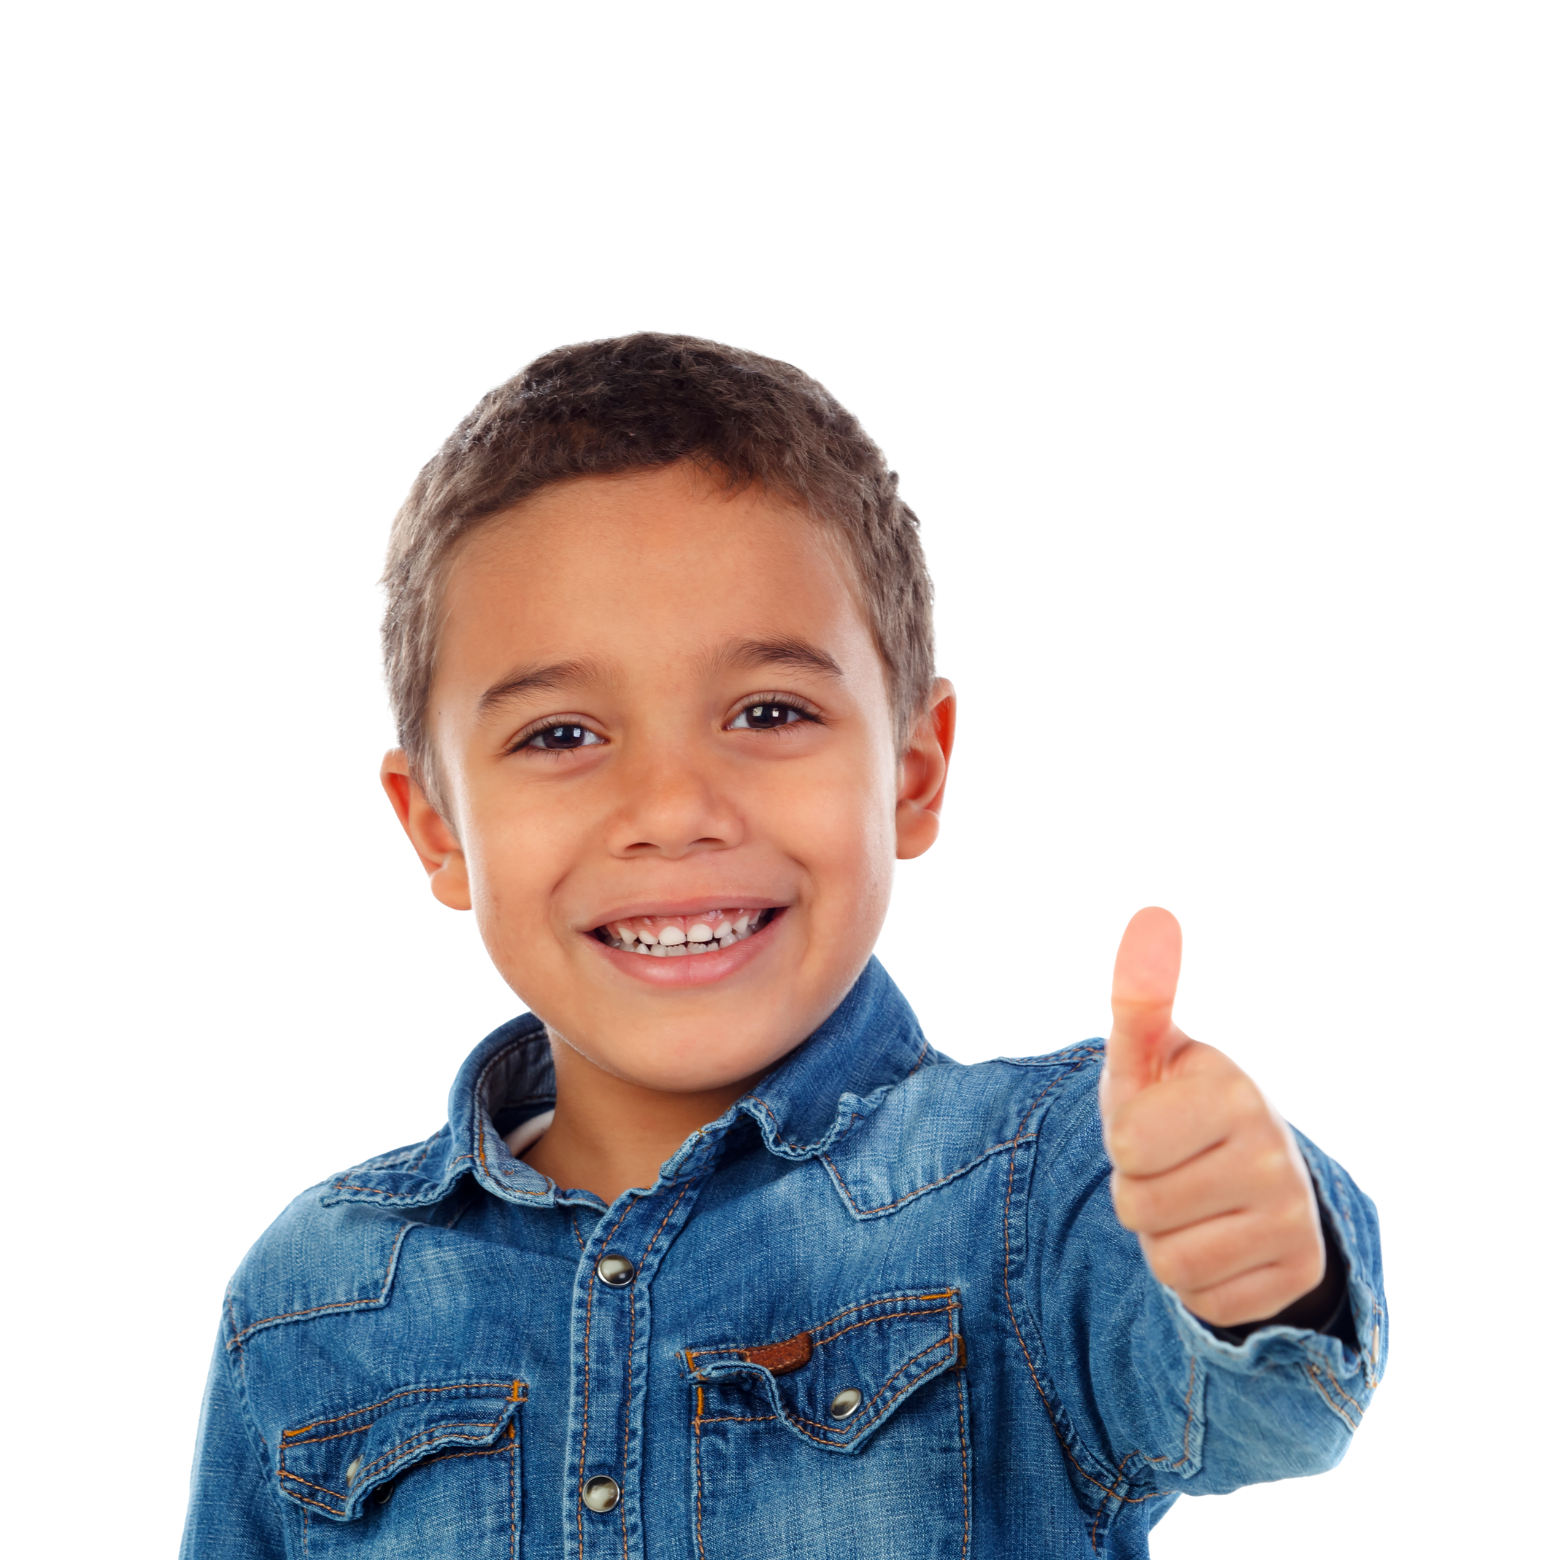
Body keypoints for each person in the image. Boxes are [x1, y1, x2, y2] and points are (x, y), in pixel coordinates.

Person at [181, 332, 1386, 1558]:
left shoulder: (1041, 1184)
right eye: (560, 734)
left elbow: (1265, 1408)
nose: (672, 808)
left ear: (912, 770)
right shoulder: (309, 1300)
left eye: (769, 712)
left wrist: (1258, 1263)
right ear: (433, 829)